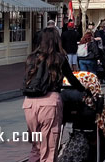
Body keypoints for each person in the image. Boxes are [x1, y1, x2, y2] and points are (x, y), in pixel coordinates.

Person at [22, 28, 85, 161]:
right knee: (49, 148)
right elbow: (71, 79)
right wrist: (84, 90)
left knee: (36, 146)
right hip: (49, 102)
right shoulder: (58, 58)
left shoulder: (31, 58)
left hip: (29, 104)